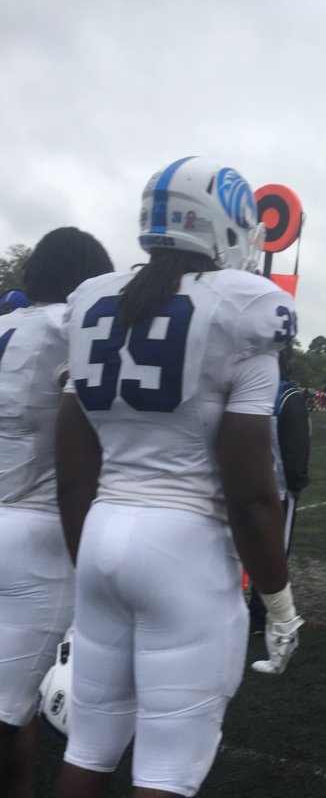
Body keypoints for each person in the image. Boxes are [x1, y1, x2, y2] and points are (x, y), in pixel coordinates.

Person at [54, 156, 302, 798]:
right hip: (185, 549)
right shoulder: (244, 306)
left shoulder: (93, 300)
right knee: (168, 768)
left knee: (88, 747)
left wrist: (90, 564)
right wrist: (278, 602)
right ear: (228, 226)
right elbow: (251, 492)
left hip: (102, 530)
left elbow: (73, 473)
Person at [0, 228, 113, 797]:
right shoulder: (72, 326)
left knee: (13, 706)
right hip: (41, 531)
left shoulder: (7, 323)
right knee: (8, 708)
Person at [248, 346, 312, 634]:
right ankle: (263, 614)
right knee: (274, 552)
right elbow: (295, 449)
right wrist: (298, 483)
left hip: (239, 484)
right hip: (277, 490)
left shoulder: (243, 390)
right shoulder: (287, 395)